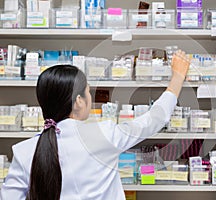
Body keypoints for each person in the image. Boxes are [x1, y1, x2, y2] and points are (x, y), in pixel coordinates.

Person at [0, 50, 190, 200]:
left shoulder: (24, 151)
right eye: (88, 92)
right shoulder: (104, 135)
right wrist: (177, 77)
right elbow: (155, 119)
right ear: (79, 101)